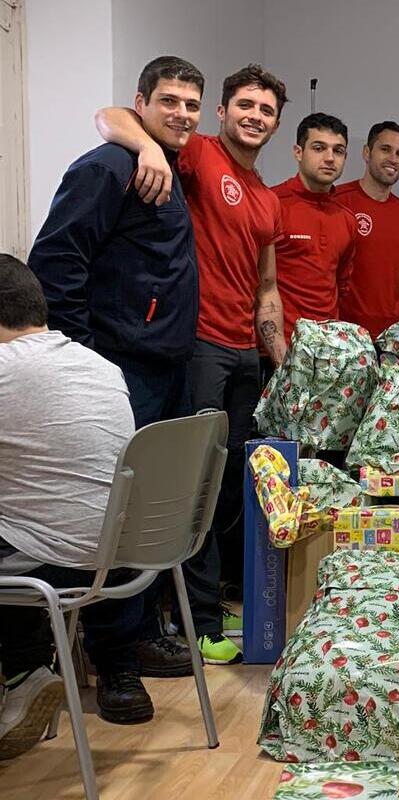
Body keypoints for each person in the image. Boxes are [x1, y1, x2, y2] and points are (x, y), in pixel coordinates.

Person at [95, 63, 290, 665]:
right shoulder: (198, 154)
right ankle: (195, 622)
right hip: (197, 343)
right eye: (246, 106)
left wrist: (279, 358)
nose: (255, 117)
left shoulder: (266, 197)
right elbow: (109, 118)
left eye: (266, 111)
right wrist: (150, 149)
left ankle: (199, 609)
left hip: (243, 353)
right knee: (196, 483)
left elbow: (266, 286)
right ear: (225, 112)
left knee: (228, 490)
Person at [27, 55, 204, 679]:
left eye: (190, 104)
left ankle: (140, 635)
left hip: (164, 363)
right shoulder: (108, 168)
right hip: (117, 367)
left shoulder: (169, 164)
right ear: (141, 104)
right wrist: (86, 360)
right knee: (116, 510)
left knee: (153, 508)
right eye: (168, 102)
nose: (180, 114)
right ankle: (113, 660)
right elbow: (54, 262)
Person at [0, 255, 148, 750]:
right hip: (121, 557)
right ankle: (25, 674)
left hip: (55, 561)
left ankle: (24, 672)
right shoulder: (101, 365)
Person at [271, 112, 357, 344]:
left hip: (326, 348)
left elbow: (340, 284)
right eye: (319, 148)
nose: (330, 158)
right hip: (278, 347)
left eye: (338, 151)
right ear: (298, 152)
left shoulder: (347, 219)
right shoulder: (272, 203)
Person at [335, 121, 399, 338]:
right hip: (343, 333)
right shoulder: (337, 200)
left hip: (389, 336)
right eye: (385, 149)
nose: (393, 159)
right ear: (366, 152)